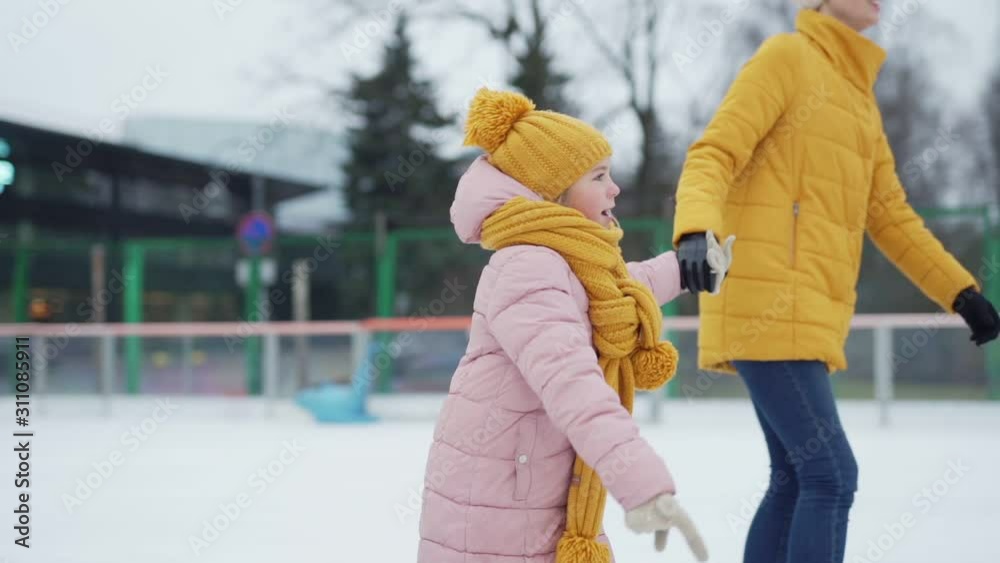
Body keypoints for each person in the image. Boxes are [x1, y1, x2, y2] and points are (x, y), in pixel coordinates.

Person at [672, 1, 1000, 562]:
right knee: (831, 474)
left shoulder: (860, 102)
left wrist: (960, 290)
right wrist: (696, 229)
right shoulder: (786, 57)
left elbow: (891, 215)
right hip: (766, 303)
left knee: (796, 477)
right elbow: (714, 152)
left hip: (809, 316)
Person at [417, 88, 727, 563]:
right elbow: (572, 384)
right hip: (500, 505)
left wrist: (684, 269)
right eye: (599, 176)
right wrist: (639, 482)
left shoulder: (570, 262)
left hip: (522, 487)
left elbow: (626, 285)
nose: (614, 189)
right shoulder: (529, 267)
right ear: (552, 193)